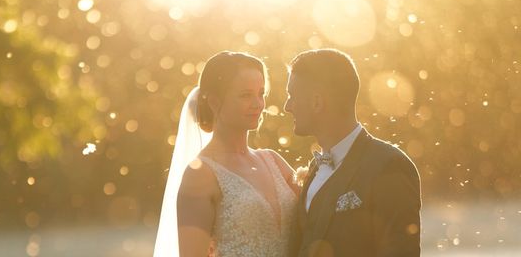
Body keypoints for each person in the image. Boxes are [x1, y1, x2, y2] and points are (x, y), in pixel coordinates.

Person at [154, 51, 299, 257]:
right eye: (245, 95)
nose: (258, 104)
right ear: (214, 101)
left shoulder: (274, 161)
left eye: (261, 93)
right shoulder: (200, 175)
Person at [284, 48, 421, 257]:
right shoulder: (314, 169)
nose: (287, 106)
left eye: (292, 96)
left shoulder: (388, 165)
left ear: (317, 102)